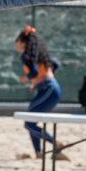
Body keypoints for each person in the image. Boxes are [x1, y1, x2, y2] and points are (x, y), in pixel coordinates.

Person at [15, 26, 65, 159]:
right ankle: (38, 153)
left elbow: (34, 72)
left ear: (23, 42)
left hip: (48, 89)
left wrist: (28, 78)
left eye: (17, 41)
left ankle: (56, 143)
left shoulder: (26, 56)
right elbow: (55, 64)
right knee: (31, 122)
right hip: (50, 88)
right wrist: (39, 80)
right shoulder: (38, 55)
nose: (16, 45)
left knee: (28, 122)